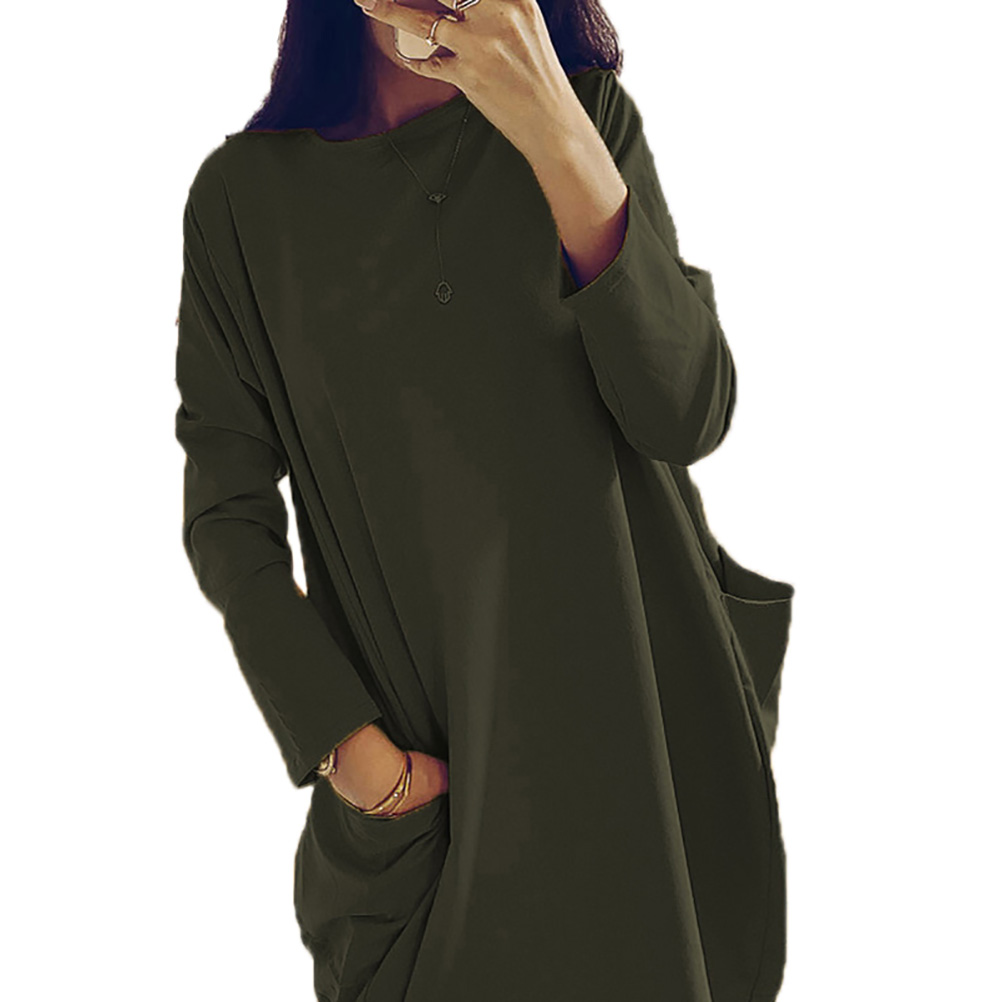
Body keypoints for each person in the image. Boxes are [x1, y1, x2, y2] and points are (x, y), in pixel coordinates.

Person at [173, 1, 796, 1000]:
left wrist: (552, 127)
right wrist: (348, 750)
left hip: (648, 769)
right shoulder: (245, 204)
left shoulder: (587, 119)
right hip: (439, 814)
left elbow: (687, 414)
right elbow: (227, 514)